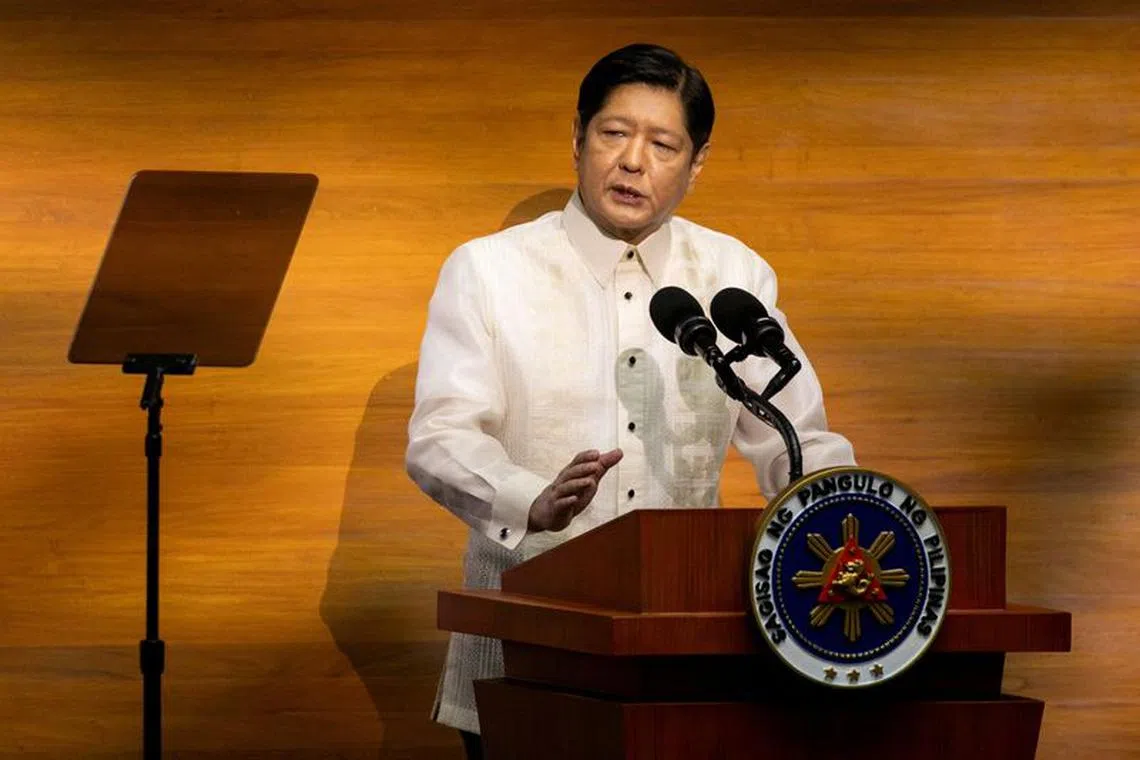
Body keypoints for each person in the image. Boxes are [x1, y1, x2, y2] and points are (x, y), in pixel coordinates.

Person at [405, 43, 855, 759]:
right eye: (614, 134)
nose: (633, 160)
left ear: (696, 163)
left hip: (682, 649)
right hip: (528, 649)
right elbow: (439, 436)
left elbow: (794, 436)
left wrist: (850, 520)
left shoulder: (734, 275)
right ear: (578, 138)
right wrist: (530, 497)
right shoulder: (489, 272)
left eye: (663, 143)